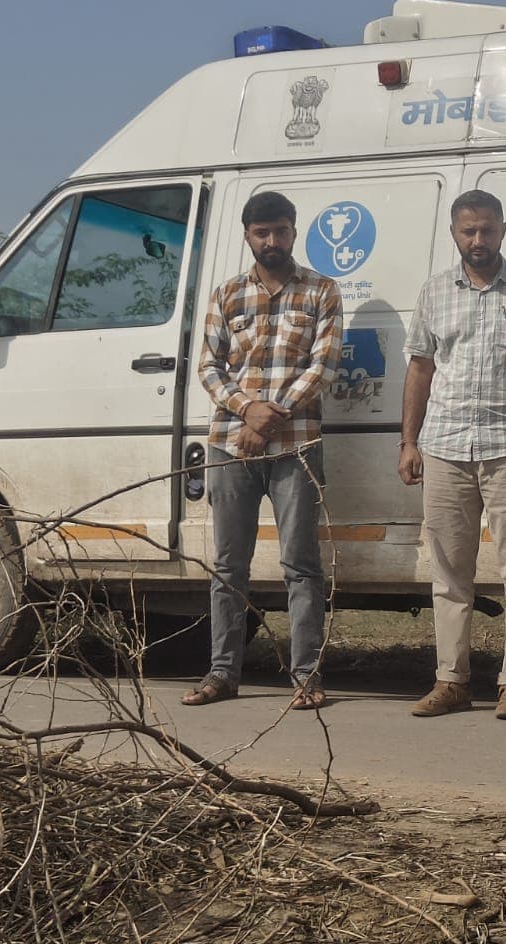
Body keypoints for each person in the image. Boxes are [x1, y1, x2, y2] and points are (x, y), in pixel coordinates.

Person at [399, 189, 506, 721]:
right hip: (445, 447)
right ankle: (451, 680)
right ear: (454, 234)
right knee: (449, 572)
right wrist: (408, 441)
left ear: (502, 229)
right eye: (469, 231)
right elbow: (420, 371)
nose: (478, 240)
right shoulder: (432, 293)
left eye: (488, 230)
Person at [184, 190, 344, 711]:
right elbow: (208, 367)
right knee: (229, 565)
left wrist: (266, 418)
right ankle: (222, 674)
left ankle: (306, 676)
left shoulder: (322, 291)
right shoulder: (227, 294)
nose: (271, 241)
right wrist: (245, 410)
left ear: (294, 231)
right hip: (230, 446)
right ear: (247, 236)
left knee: (301, 563)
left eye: (279, 230)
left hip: (295, 447)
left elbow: (322, 368)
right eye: (261, 232)